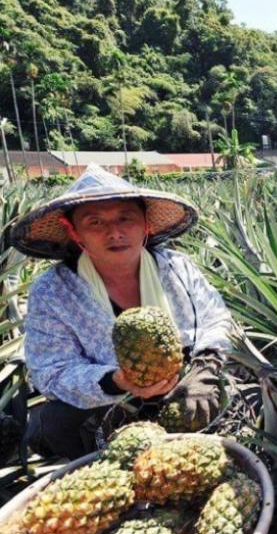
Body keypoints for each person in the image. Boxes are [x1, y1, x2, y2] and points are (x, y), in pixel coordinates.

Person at [15, 164, 234, 459]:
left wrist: (205, 370)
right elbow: (51, 371)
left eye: (125, 218)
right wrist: (116, 380)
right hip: (106, 407)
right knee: (53, 422)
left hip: (185, 390)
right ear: (73, 231)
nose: (114, 232)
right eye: (95, 222)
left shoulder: (176, 268)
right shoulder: (54, 290)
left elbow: (218, 319)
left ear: (145, 223)